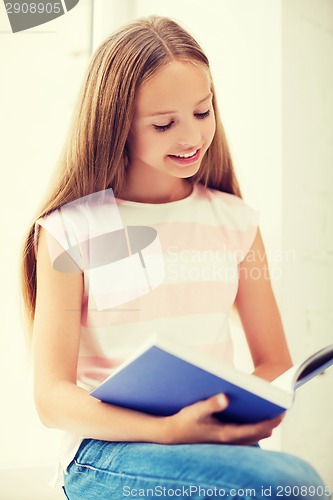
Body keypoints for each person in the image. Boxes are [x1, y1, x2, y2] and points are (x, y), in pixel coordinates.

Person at [21, 16, 329, 500]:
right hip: (106, 450)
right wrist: (167, 430)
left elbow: (273, 362)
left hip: (205, 442)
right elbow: (52, 400)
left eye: (202, 113)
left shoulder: (236, 222)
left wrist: (244, 411)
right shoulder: (70, 230)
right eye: (164, 124)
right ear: (115, 124)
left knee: (291, 484)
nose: (191, 138)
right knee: (293, 485)